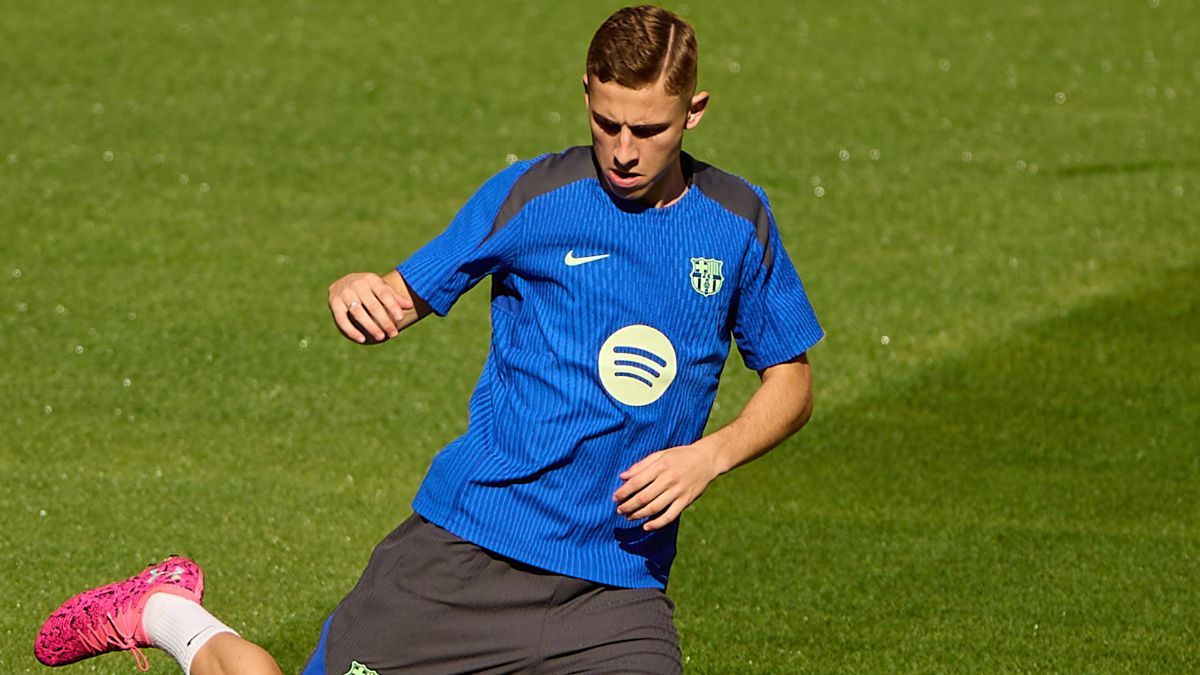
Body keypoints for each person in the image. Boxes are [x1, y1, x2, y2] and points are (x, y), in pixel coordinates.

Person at [34, 5, 823, 674]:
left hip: (615, 591)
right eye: (605, 121)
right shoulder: (534, 196)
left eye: (647, 129)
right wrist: (359, 292)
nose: (622, 149)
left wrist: (710, 454)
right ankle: (167, 611)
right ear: (586, 96)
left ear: (694, 111)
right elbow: (397, 298)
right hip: (465, 555)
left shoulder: (738, 222)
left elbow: (791, 378)